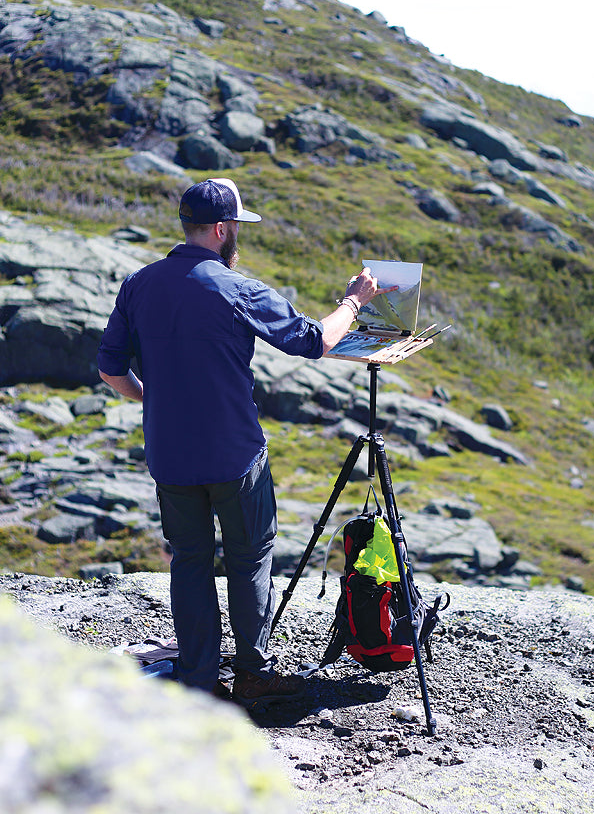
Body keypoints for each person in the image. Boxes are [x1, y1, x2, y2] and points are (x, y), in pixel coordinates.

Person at [97, 177, 393, 704]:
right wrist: (353, 301)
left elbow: (110, 370)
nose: (238, 234)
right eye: (236, 225)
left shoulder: (138, 284)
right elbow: (315, 341)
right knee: (249, 558)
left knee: (189, 560)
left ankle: (198, 680)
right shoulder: (237, 289)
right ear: (220, 229)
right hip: (234, 454)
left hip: (170, 455)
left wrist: (154, 400)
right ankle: (253, 675)